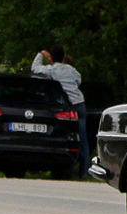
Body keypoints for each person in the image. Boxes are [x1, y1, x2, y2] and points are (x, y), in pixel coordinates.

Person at [32, 46, 87, 178]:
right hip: (79, 104)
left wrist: (41, 54)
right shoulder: (72, 70)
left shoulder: (51, 70)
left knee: (61, 136)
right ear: (63, 57)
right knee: (82, 138)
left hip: (64, 107)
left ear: (51, 57)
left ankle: (61, 168)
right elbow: (78, 81)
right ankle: (84, 172)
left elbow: (35, 68)